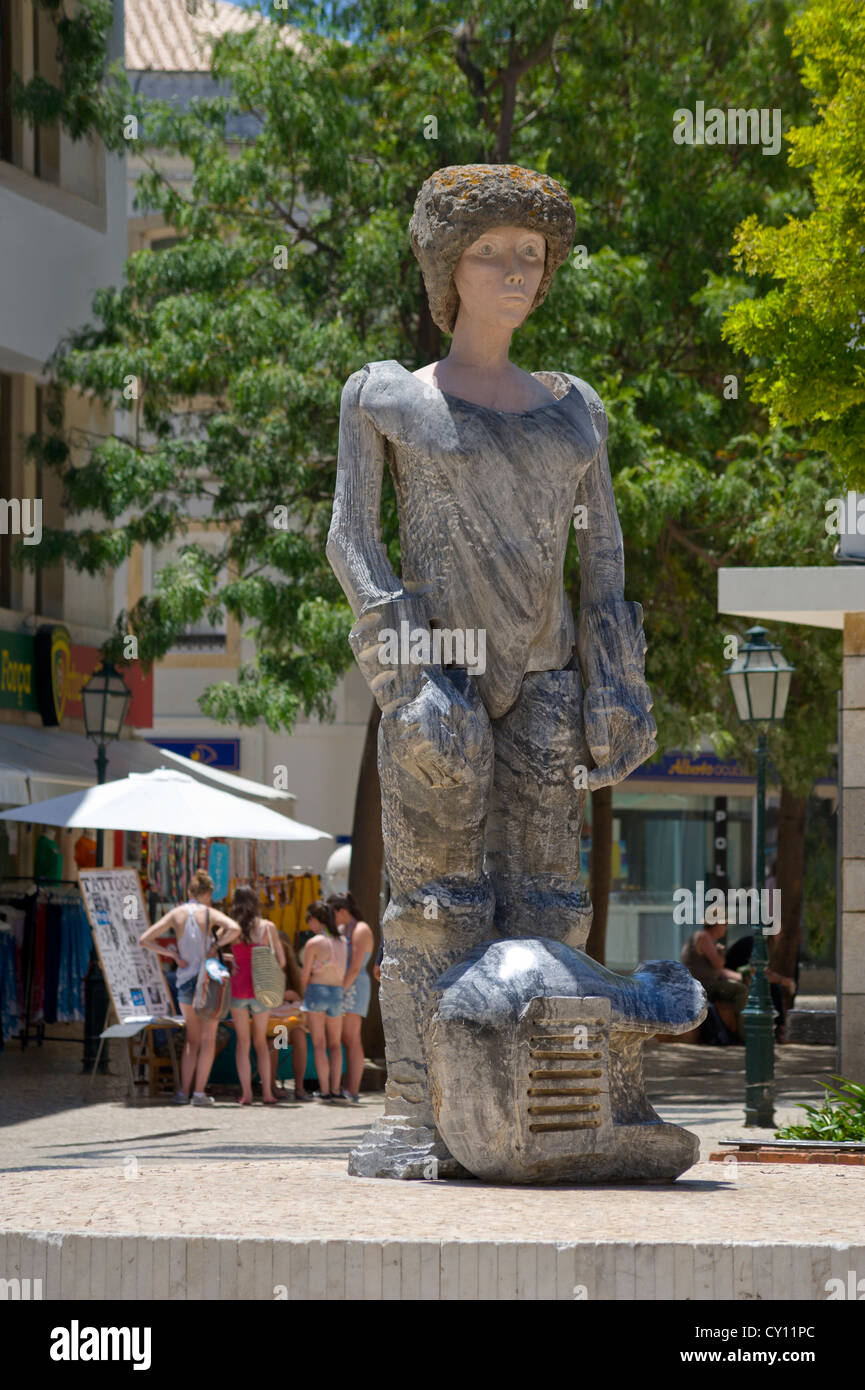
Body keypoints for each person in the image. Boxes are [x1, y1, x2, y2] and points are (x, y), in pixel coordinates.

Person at [140, 869, 240, 1105]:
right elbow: (235, 928)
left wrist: (172, 953)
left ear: (189, 892)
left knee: (191, 1040)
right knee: (209, 1039)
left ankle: (183, 1091)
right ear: (208, 894)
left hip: (185, 979)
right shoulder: (210, 912)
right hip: (209, 980)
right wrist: (216, 943)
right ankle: (199, 1093)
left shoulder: (177, 913)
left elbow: (145, 939)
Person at [227, 885, 288, 1105]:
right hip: (262, 990)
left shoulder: (230, 928)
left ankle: (246, 1094)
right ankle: (268, 1094)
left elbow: (213, 949)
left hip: (238, 989)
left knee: (242, 1043)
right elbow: (281, 961)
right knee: (261, 1042)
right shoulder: (267, 927)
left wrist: (231, 960)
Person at [327, 891, 374, 1103]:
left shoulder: (361, 929)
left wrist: (340, 992)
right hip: (344, 984)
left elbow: (355, 967)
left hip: (355, 986)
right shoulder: (343, 928)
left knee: (352, 1038)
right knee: (344, 1038)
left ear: (342, 911)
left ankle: (353, 1088)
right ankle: (346, 1085)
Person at [298, 900, 347, 1101]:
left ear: (316, 919)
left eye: (309, 919)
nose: (309, 923)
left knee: (319, 1043)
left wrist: (301, 995)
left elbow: (305, 974)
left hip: (317, 991)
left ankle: (325, 1090)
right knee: (335, 1044)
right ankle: (336, 1089)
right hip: (337, 992)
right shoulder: (343, 941)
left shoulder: (314, 943)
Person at [680, 913, 750, 1043]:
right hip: (701, 986)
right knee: (741, 990)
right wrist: (722, 953)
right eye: (724, 924)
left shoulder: (707, 939)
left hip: (703, 985)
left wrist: (740, 976)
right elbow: (718, 963)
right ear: (715, 924)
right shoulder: (704, 936)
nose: (726, 927)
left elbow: (719, 971)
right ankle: (744, 1036)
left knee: (740, 985)